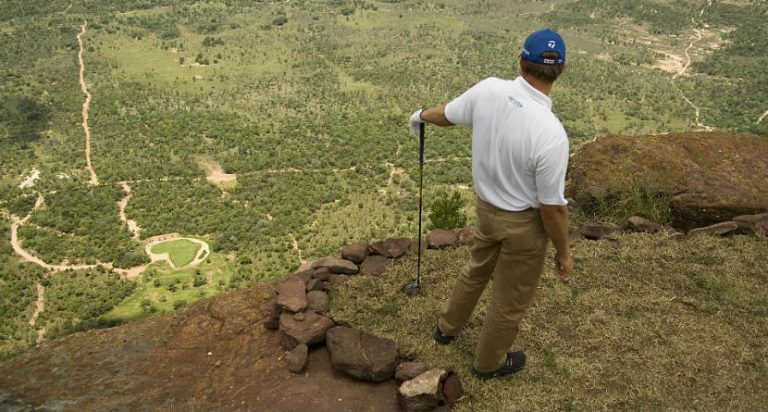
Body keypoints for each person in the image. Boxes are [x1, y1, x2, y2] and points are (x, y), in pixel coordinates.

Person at [408, 28, 573, 380]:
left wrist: (421, 114)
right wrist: (563, 252)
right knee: (509, 298)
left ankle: (446, 328)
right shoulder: (551, 133)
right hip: (525, 226)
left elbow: (446, 115)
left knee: (476, 270)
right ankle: (488, 364)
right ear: (561, 69)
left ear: (520, 60)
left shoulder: (489, 90)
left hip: (486, 210)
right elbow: (552, 208)